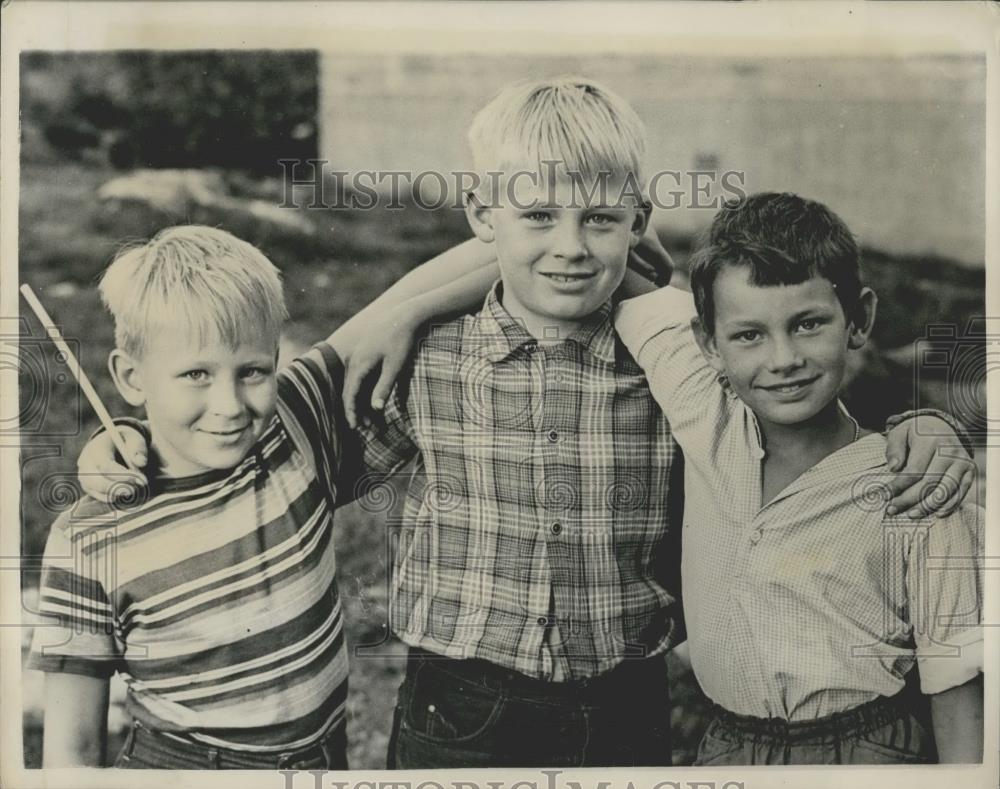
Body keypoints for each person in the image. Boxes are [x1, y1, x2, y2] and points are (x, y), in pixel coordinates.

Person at [72, 80, 975, 768]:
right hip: (457, 708)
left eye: (598, 220)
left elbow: (803, 411)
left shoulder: (678, 365)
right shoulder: (422, 357)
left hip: (623, 704)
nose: (569, 246)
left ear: (638, 221)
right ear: (480, 216)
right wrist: (133, 445)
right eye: (536, 216)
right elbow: (267, 453)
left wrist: (928, 428)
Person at [613, 192, 984, 764]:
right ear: (708, 343)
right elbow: (585, 257)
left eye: (807, 324)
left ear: (858, 319)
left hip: (868, 754)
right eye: (749, 335)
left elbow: (956, 682)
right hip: (726, 752)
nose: (782, 358)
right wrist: (415, 310)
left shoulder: (917, 481)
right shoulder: (703, 410)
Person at [28, 226, 359, 769]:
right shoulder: (88, 540)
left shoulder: (294, 436)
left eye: (252, 371)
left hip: (323, 760)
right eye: (196, 374)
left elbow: (403, 304)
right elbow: (74, 748)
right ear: (131, 378)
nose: (229, 404)